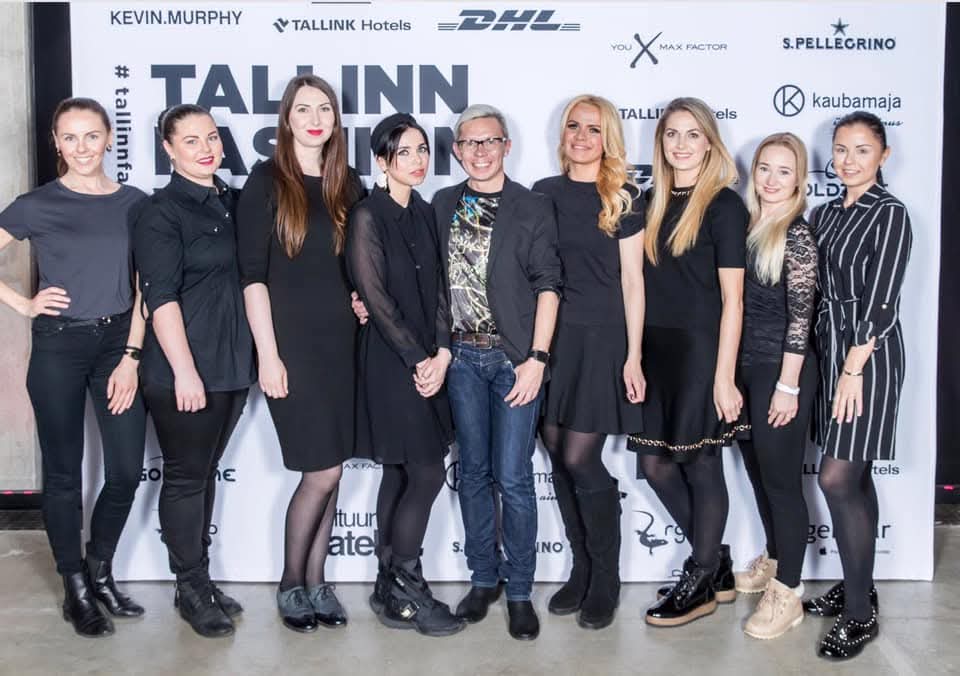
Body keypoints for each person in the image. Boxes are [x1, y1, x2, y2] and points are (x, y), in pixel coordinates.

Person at [0, 97, 147, 637]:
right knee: (64, 475)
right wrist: (23, 304)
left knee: (125, 470)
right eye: (70, 137)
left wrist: (131, 355)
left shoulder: (135, 203)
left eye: (91, 135)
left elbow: (146, 287)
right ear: (56, 143)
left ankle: (100, 570)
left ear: (109, 138)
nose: (81, 147)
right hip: (59, 345)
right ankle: (75, 587)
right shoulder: (36, 205)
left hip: (117, 344)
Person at [237, 75, 364, 633]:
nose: (315, 119)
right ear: (286, 118)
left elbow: (359, 263)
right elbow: (252, 277)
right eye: (304, 109)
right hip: (292, 346)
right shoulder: (266, 181)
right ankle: (292, 581)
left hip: (345, 345)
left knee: (333, 470)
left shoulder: (347, 183)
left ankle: (317, 582)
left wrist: (362, 298)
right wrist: (268, 355)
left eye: (325, 109)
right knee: (322, 468)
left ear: (336, 120)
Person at [435, 104, 562, 641]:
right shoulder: (442, 204)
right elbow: (430, 281)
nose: (480, 151)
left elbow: (549, 286)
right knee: (473, 473)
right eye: (470, 142)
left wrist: (537, 359)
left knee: (513, 476)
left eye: (490, 141)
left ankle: (519, 592)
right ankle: (484, 579)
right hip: (462, 359)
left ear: (506, 146)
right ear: (457, 150)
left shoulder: (532, 206)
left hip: (514, 361)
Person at [133, 104, 256, 638]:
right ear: (168, 149)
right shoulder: (160, 212)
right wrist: (185, 371)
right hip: (184, 370)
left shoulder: (232, 200)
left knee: (204, 473)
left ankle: (200, 578)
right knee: (186, 478)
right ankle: (190, 588)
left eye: (211, 137)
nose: (206, 148)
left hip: (231, 366)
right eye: (191, 141)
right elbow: (159, 298)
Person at [625, 97, 748, 627]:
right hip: (655, 348)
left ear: (710, 142)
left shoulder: (724, 205)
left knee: (700, 464)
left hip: (701, 350)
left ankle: (700, 578)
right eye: (672, 134)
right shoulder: (648, 201)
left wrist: (724, 376)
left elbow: (734, 300)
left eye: (692, 134)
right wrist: (633, 355)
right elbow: (636, 286)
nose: (681, 144)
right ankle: (714, 561)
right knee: (654, 464)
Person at [346, 112, 464, 638]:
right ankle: (409, 585)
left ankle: (386, 587)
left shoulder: (425, 211)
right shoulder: (367, 215)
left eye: (422, 150)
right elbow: (375, 299)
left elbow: (441, 291)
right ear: (381, 160)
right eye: (404, 153)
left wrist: (441, 353)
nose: (416, 161)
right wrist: (419, 360)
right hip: (392, 363)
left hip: (430, 360)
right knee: (425, 471)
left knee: (401, 472)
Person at [533, 94, 645, 630]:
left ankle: (607, 576)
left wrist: (634, 355)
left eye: (594, 129)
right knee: (556, 454)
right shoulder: (542, 193)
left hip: (602, 340)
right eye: (574, 126)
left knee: (581, 458)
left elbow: (633, 281)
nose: (581, 136)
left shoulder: (623, 196)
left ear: (609, 138)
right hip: (551, 339)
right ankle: (580, 569)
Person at [803, 111, 911, 660]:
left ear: (883, 156)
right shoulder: (823, 214)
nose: (848, 160)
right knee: (856, 477)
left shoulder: (890, 213)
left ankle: (859, 615)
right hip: (829, 354)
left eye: (862, 150)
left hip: (868, 360)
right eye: (841, 149)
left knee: (837, 477)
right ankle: (858, 585)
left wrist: (853, 369)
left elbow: (882, 300)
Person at [734, 133, 817, 640]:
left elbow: (800, 319)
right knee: (760, 474)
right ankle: (777, 558)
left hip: (780, 371)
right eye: (765, 167)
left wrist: (788, 386)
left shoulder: (797, 235)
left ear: (799, 180)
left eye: (784, 171)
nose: (770, 178)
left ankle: (788, 592)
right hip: (743, 370)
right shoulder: (746, 226)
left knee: (783, 483)